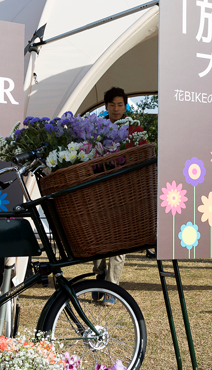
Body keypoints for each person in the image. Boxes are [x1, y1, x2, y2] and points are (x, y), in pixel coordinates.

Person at [94, 87, 129, 297]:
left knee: (121, 237)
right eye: (112, 105)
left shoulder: (134, 129)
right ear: (106, 106)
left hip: (125, 189)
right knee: (99, 235)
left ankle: (111, 288)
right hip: (101, 187)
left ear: (125, 107)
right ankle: (99, 275)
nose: (116, 109)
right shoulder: (98, 128)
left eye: (120, 104)